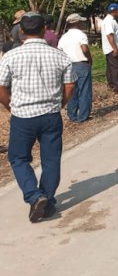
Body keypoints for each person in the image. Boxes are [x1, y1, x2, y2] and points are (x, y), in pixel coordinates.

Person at [0, 12, 74, 222]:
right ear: (44, 30)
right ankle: (47, 200)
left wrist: (10, 106)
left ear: (21, 32)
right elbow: (70, 85)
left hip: (23, 116)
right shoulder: (60, 55)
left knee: (18, 157)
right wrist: (61, 104)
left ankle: (34, 195)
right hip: (50, 115)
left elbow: (1, 87)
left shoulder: (11, 56)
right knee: (51, 159)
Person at [57, 13, 93, 123]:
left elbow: (59, 52)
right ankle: (83, 116)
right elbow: (85, 49)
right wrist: (89, 59)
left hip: (68, 66)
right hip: (81, 64)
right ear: (77, 23)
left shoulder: (64, 37)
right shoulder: (81, 35)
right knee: (84, 90)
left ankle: (72, 115)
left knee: (71, 91)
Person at [101, 3, 118, 93]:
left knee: (110, 68)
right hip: (111, 48)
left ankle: (111, 85)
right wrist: (115, 48)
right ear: (114, 11)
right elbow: (109, 35)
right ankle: (116, 86)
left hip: (110, 48)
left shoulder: (110, 20)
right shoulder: (109, 21)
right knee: (115, 67)